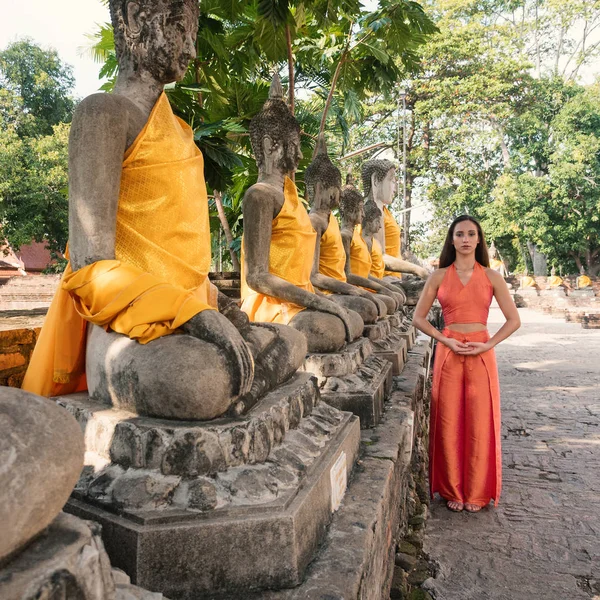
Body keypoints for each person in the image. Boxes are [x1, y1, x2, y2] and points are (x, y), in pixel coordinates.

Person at [412, 215, 520, 512]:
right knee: (448, 420)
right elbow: (418, 318)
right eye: (460, 234)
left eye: (472, 234)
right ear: (452, 240)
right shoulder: (438, 276)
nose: (466, 239)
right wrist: (444, 340)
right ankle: (452, 490)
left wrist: (488, 344)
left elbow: (514, 320)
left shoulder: (492, 276)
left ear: (479, 240)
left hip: (481, 354)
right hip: (449, 353)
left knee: (479, 422)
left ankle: (476, 491)